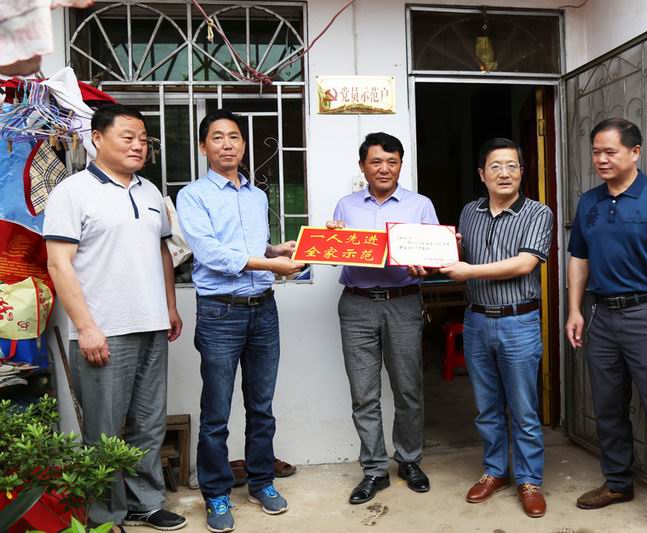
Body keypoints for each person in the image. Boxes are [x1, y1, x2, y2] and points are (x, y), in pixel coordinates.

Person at [44, 104, 187, 532]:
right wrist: (86, 328)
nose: (138, 145)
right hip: (104, 330)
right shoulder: (72, 192)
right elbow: (59, 264)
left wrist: (170, 307)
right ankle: (105, 516)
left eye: (143, 139)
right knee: (104, 428)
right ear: (97, 138)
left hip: (152, 326)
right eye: (128, 137)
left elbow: (163, 253)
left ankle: (146, 502)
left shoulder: (149, 192)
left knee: (148, 422)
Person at [565, 118, 647, 533]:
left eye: (610, 152)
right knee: (607, 407)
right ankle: (618, 483)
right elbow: (579, 259)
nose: (601, 159)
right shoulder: (589, 202)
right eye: (596, 152)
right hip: (601, 317)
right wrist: (574, 310)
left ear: (635, 152)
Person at [176, 109, 304, 533]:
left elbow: (250, 247)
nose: (227, 144)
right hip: (220, 312)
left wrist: (276, 251)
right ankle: (216, 493)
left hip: (263, 309)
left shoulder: (256, 195)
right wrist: (269, 264)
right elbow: (211, 254)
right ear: (203, 146)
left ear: (244, 145)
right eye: (217, 137)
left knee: (261, 407)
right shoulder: (192, 196)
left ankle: (262, 482)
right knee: (216, 412)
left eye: (234, 136)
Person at [439, 138, 553, 519]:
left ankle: (529, 480)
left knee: (523, 407)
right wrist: (445, 251)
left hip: (518, 320)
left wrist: (468, 270)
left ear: (522, 172)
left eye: (511, 166)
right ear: (482, 174)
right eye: (495, 166)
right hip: (476, 320)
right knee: (486, 406)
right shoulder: (469, 212)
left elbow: (524, 263)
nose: (504, 173)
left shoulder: (538, 213)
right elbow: (460, 257)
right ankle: (495, 471)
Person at [327, 132, 438, 504]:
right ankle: (374, 469)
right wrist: (331, 240)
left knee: (408, 389)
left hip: (403, 302)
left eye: (392, 162)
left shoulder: (420, 205)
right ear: (363, 166)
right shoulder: (345, 206)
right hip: (356, 305)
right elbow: (336, 253)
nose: (384, 169)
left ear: (401, 165)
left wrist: (427, 266)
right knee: (364, 394)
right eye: (376, 162)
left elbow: (435, 256)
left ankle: (409, 460)